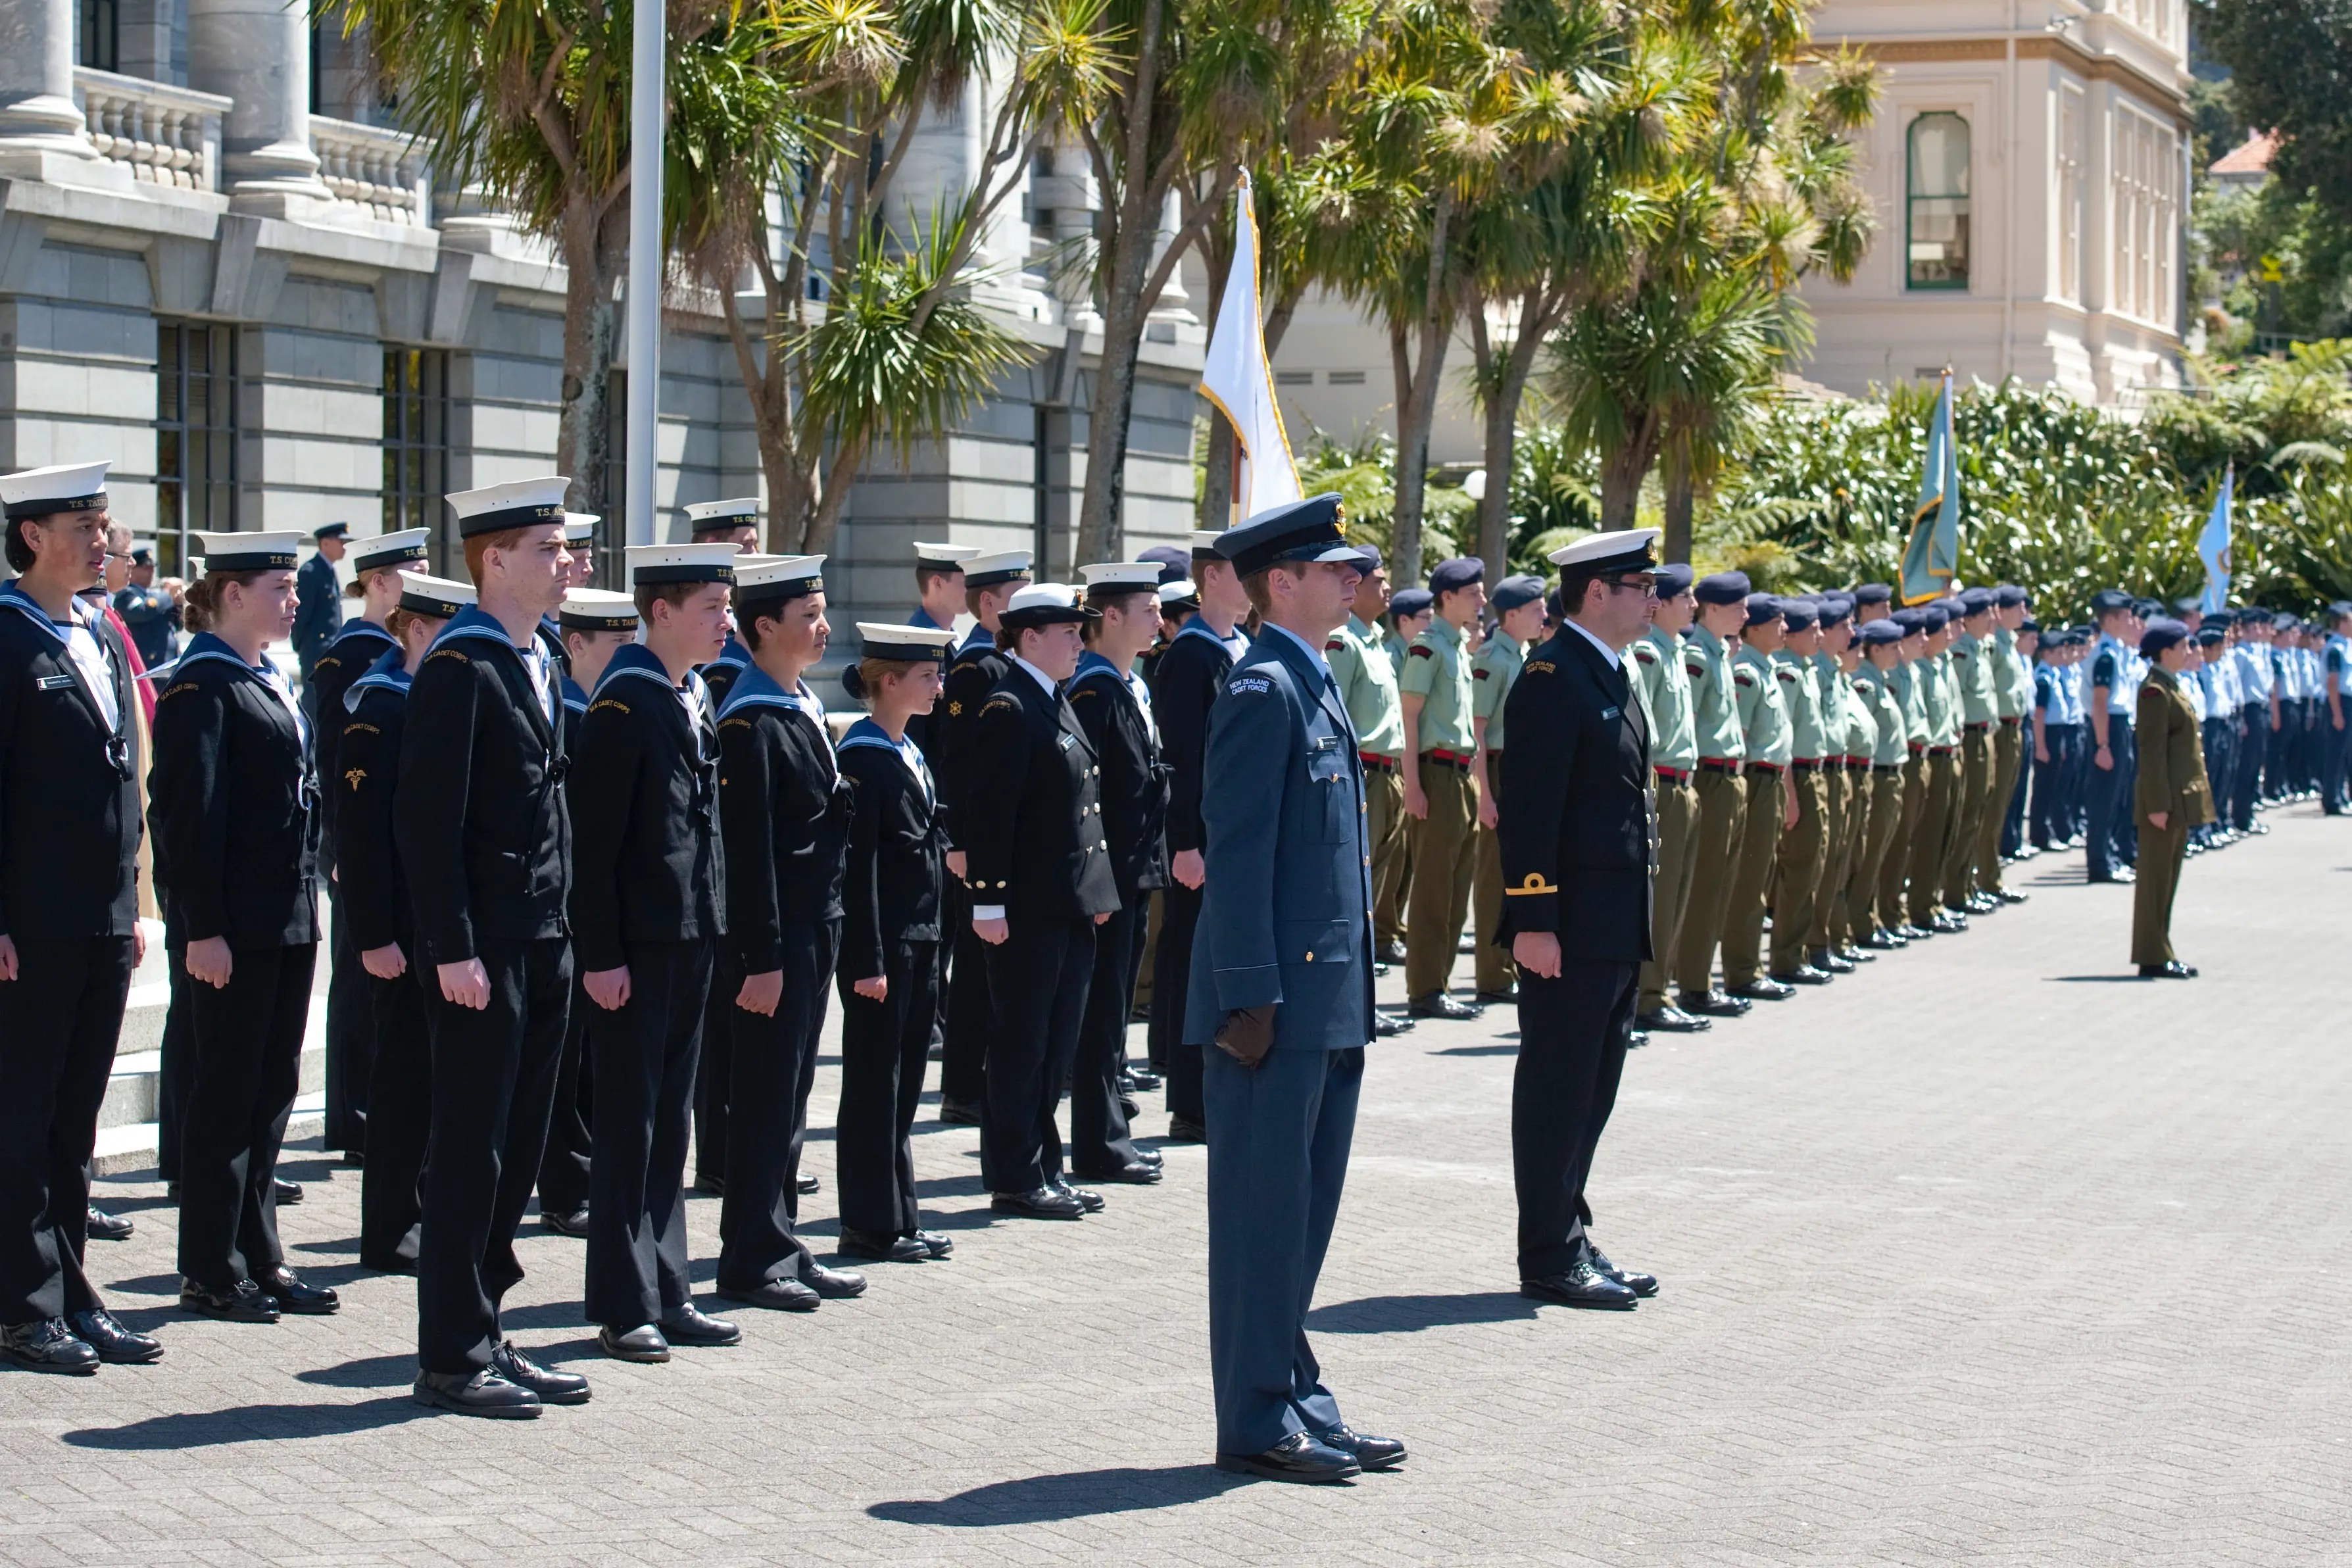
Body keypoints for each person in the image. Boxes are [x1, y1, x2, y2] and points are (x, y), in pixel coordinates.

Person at [1186, 495, 1399, 1484]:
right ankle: (1256, 1415)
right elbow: (1238, 856)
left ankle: (1296, 1391)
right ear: (1283, 582)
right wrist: (1251, 998)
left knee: (1304, 1216)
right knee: (1264, 1216)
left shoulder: (1312, 679)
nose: (1352, 581)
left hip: (1327, 999)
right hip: (1272, 1009)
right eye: (1334, 569)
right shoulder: (1262, 689)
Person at [396, 476, 590, 1418]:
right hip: (484, 949)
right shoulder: (459, 669)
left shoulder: (536, 657)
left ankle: (490, 1330)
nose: (566, 564)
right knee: (471, 1149)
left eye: (563, 548)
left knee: (517, 1149)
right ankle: (450, 1353)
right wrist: (452, 946)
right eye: (547, 550)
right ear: (494, 560)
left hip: (543, 936)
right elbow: (427, 825)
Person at [149, 531, 338, 1325]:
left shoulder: (264, 675)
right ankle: (211, 1265)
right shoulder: (203, 684)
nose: (294, 602)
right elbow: (186, 817)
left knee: (270, 1093)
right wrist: (202, 926)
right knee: (225, 1097)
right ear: (232, 594)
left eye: (295, 588)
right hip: (235, 926)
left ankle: (261, 1251)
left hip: (286, 919)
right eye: (278, 588)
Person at [0, 460, 161, 1374]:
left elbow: (119, 780)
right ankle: (22, 1307)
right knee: (21, 1120)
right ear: (33, 535)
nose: (105, 541)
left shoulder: (96, 633)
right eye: (87, 526)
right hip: (31, 925)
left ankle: (71, 1291)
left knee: (74, 1124)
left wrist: (128, 903)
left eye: (106, 526)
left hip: (98, 919)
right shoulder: (8, 637)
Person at [568, 543, 743, 1363]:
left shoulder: (690, 694)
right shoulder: (623, 706)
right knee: (629, 1127)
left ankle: (669, 1286)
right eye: (711, 606)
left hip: (688, 937)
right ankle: (622, 1299)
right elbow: (594, 847)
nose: (727, 620)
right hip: (634, 949)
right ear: (661, 612)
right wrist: (601, 953)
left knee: (669, 1123)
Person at [1498, 527, 1663, 1313]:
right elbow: (1531, 810)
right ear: (1597, 591)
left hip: (1612, 920)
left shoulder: (1610, 670)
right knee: (1558, 1087)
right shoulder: (1551, 677)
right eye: (1641, 584)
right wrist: (1533, 918)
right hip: (1566, 926)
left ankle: (1571, 1227)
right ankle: (1548, 1253)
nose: (1653, 598)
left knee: (1593, 1086)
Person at [712, 554, 866, 1311]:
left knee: (794, 1093)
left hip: (817, 924)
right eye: (808, 616)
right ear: (763, 627)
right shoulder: (749, 719)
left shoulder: (796, 701)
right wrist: (763, 957)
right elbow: (749, 856)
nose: (823, 626)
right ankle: (749, 1255)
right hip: (780, 939)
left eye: (823, 611)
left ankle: (781, 1240)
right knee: (767, 1095)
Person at [963, 583, 1120, 1219]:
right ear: (1029, 636)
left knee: (1055, 1044)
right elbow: (991, 815)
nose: (1079, 643)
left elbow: (1084, 807)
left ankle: (1043, 1166)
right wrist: (988, 902)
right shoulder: (1008, 706)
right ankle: (1015, 1173)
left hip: (1067, 906)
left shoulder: (1050, 697)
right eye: (1067, 632)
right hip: (1027, 910)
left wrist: (1098, 892)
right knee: (1022, 1043)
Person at [343, 571, 470, 1275]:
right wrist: (372, 934)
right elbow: (363, 837)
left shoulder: (431, 700)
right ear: (417, 628)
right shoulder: (380, 706)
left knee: (434, 1083)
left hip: (435, 928)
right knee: (401, 1086)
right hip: (396, 929)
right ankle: (390, 1227)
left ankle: (417, 1213)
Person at [833, 622, 959, 1263]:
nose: (939, 685)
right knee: (874, 1087)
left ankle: (900, 1215)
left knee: (904, 1085)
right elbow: (859, 871)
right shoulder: (862, 757)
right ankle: (868, 1222)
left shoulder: (905, 747)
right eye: (927, 676)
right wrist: (867, 959)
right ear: (889, 681)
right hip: (885, 947)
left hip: (921, 939)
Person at [312, 527, 433, 1161]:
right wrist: (337, 848)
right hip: (357, 841)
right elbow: (339, 761)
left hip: (371, 844)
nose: (424, 580)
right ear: (380, 582)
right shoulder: (359, 655)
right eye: (414, 571)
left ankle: (359, 1113)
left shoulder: (374, 650)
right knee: (360, 987)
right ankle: (353, 1114)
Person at [535, 587, 639, 1237]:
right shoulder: (569, 712)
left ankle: (589, 1173)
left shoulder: (612, 709)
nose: (630, 655)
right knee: (566, 1061)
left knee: (596, 1059)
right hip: (566, 904)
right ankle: (565, 1187)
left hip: (602, 906)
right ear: (576, 644)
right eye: (616, 643)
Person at [1064, 562, 1171, 1185]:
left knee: (1115, 1006)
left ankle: (1111, 1133)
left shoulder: (1133, 685)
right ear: (1110, 617)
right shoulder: (1095, 690)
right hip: (1110, 875)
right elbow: (1089, 796)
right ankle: (1099, 1142)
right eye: (1148, 608)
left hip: (1137, 867)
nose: (1159, 618)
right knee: (1102, 1009)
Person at [1150, 533, 1251, 1142]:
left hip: (1235, 837)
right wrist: (1185, 841)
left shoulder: (1238, 645)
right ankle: (1191, 1100)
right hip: (1202, 843)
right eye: (1244, 572)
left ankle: (1222, 1088)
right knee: (1195, 964)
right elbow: (1183, 759)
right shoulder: (1190, 655)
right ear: (1211, 577)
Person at [932, 549, 1034, 1128]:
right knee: (973, 968)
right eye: (1018, 596)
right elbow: (959, 761)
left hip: (1007, 842)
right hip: (977, 843)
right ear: (990, 604)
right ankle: (963, 1086)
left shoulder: (1007, 663)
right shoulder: (975, 668)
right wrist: (961, 838)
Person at [1400, 556, 1486, 1018]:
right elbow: (1408, 717)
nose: (1482, 601)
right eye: (1473, 593)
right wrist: (1412, 784)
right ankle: (1425, 989)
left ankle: (1442, 983)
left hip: (1461, 777)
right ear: (1447, 598)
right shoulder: (1427, 648)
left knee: (1457, 885)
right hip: (1435, 773)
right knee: (1433, 889)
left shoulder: (1458, 648)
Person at [1326, 549, 1410, 1000]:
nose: (1387, 589)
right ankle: (1351, 992)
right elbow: (1334, 717)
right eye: (1378, 581)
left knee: (1379, 885)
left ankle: (1364, 989)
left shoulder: (1374, 640)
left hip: (1389, 774)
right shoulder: (1345, 643)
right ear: (1354, 589)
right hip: (1364, 774)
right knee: (1359, 885)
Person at [1672, 572, 1753, 1019]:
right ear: (1714, 608)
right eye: (1738, 606)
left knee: (1717, 885)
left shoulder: (1718, 653)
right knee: (1702, 887)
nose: (1746, 614)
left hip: (1728, 777)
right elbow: (1689, 722)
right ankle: (1692, 985)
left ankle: (1697, 980)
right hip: (1705, 777)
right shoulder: (1698, 656)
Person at [1629, 564, 1702, 1033]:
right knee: (1657, 897)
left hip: (1685, 784)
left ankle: (1662, 989)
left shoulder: (1674, 652)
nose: (1693, 606)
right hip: (1661, 784)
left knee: (1677, 895)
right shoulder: (1649, 656)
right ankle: (1647, 997)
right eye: (1686, 598)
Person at [1471, 575, 1546, 1006]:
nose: (1544, 616)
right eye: (1535, 610)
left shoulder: (1521, 655)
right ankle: (1490, 972)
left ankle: (1503, 968)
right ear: (1513, 614)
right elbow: (1478, 729)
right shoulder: (1492, 658)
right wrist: (1484, 792)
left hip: (1516, 767)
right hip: (1496, 766)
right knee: (1491, 877)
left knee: (1513, 873)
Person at [1721, 595, 1794, 1001]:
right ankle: (1743, 969)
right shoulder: (1746, 672)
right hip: (1755, 781)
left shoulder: (1765, 670)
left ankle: (1751, 966)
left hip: (1771, 781)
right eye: (1778, 621)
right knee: (1749, 883)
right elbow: (1743, 738)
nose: (1785, 628)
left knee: (1760, 877)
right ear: (1757, 630)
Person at [2130, 618, 2211, 979]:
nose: (2190, 653)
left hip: (2177, 799)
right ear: (2167, 652)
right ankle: (2152, 954)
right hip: (2163, 803)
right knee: (2155, 882)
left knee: (2168, 878)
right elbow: (2151, 753)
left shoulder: (2171, 687)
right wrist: (2157, 805)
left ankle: (2161, 949)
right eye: (2184, 647)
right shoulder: (2155, 692)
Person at [1848, 618, 1910, 948]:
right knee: (1869, 856)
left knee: (1880, 854)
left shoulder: (1879, 682)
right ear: (1876, 650)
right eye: (1893, 647)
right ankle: (1861, 923)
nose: (1899, 652)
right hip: (1880, 775)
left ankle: (1868, 920)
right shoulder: (1866, 686)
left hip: (1891, 774)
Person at [2085, 589, 2142, 884]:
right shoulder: (2106, 656)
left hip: (2121, 725)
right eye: (2125, 617)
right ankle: (2099, 864)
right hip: (2108, 728)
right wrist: (2103, 744)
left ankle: (2113, 857)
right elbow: (2100, 703)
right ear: (2110, 619)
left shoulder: (2117, 651)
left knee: (2119, 797)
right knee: (2104, 800)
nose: (2130, 621)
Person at [293, 522, 349, 689]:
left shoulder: (329, 570)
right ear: (325, 543)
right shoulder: (311, 571)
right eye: (341, 542)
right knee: (313, 698)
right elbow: (301, 614)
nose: (345, 547)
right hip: (316, 649)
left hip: (331, 648)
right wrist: (301, 646)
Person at [113, 545, 179, 669]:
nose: (151, 572)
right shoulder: (127, 594)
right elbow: (142, 612)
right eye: (146, 568)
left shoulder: (154, 596)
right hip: (148, 666)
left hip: (168, 664)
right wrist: (166, 593)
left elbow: (177, 625)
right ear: (132, 570)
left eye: (152, 568)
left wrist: (178, 604)